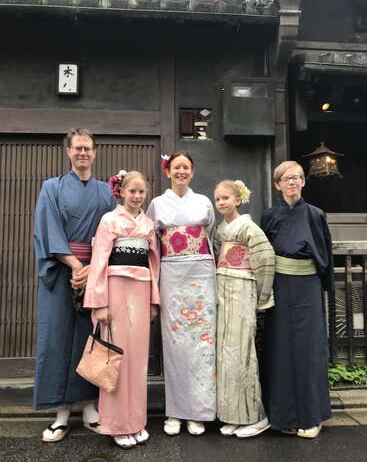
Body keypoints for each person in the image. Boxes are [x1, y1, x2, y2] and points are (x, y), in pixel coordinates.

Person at [33, 128, 115, 442]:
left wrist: (94, 267)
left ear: (94, 153)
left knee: (91, 339)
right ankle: (61, 412)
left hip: (95, 273)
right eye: (77, 148)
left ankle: (91, 406)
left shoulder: (106, 192)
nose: (83, 153)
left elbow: (112, 235)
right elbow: (48, 230)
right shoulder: (51, 188)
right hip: (61, 272)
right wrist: (76, 265)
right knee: (56, 338)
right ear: (68, 151)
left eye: (88, 149)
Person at [84, 170, 160, 449]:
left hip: (141, 290)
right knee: (116, 356)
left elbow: (154, 265)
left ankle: (136, 421)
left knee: (137, 359)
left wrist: (154, 300)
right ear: (121, 192)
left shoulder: (148, 224)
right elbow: (100, 260)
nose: (137, 197)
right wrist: (99, 303)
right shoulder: (109, 220)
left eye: (141, 192)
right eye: (132, 191)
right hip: (115, 288)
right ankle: (116, 423)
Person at [260, 160, 333, 439]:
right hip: (280, 284)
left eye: (297, 178)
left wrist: (322, 289)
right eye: (286, 179)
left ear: (303, 182)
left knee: (308, 350)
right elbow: (263, 253)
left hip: (307, 287)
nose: (292, 182)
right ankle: (281, 416)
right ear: (277, 185)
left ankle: (312, 416)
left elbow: (324, 253)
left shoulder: (315, 215)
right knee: (279, 349)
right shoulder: (269, 216)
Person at [147, 151, 216, 436]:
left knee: (202, 344)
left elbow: (209, 235)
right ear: (168, 171)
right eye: (177, 167)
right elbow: (152, 242)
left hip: (200, 274)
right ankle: (175, 412)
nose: (181, 172)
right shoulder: (157, 204)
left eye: (186, 167)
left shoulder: (203, 202)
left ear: (193, 171)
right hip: (172, 274)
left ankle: (198, 412)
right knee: (174, 344)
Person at [213, 180, 275, 438]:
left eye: (226, 197)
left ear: (238, 199)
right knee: (225, 353)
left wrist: (262, 296)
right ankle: (232, 415)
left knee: (243, 352)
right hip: (222, 287)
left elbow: (265, 259)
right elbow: (216, 254)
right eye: (218, 199)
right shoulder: (219, 229)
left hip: (242, 288)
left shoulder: (250, 228)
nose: (221, 203)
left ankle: (255, 415)